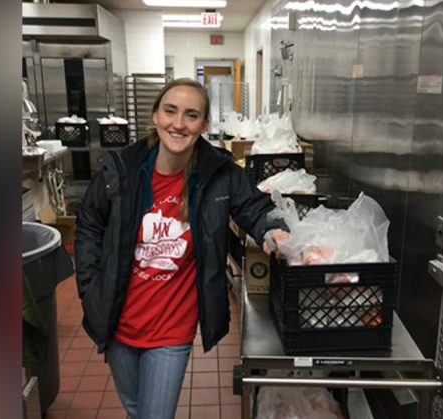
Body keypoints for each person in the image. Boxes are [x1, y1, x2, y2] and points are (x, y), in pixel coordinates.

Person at [75, 78, 290, 419]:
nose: (179, 123)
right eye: (170, 111)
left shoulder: (219, 173)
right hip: (118, 319)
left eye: (191, 115)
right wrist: (89, 288)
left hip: (172, 327)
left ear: (204, 125)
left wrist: (274, 229)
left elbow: (255, 208)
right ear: (156, 115)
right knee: (134, 409)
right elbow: (89, 224)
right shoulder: (122, 170)